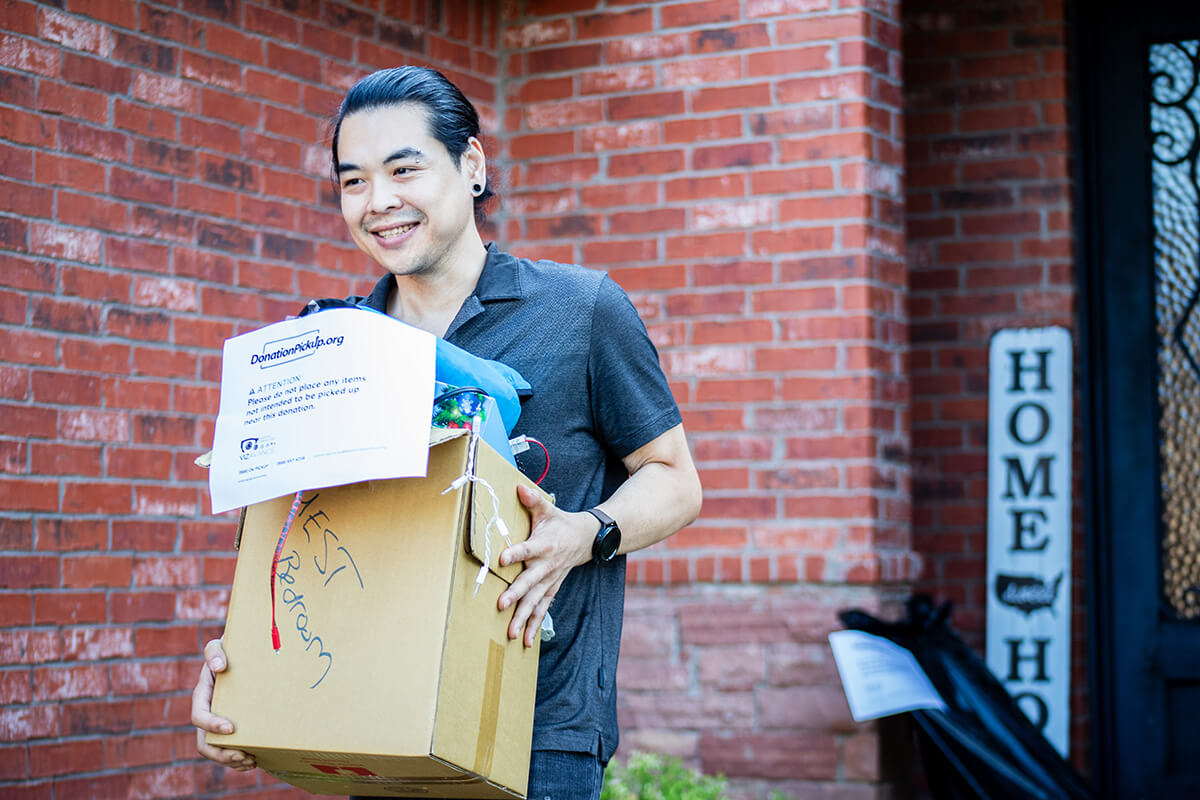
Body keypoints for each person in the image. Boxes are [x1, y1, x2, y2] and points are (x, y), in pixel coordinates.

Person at [191, 66, 702, 800]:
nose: (379, 202)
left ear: (471, 167)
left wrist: (582, 533)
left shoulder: (579, 310)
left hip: (537, 735)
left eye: (404, 169)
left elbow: (676, 479)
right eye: (354, 181)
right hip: (376, 729)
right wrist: (237, 666)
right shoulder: (332, 346)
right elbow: (293, 529)